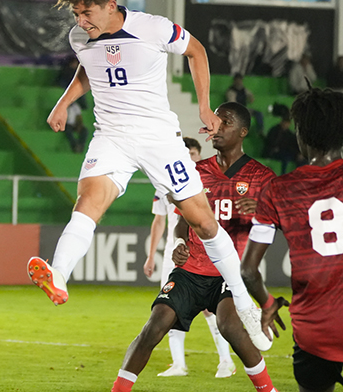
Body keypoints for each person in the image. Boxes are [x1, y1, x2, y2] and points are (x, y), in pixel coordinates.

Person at [26, 0, 271, 358]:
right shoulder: (80, 36)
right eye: (76, 14)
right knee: (87, 203)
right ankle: (59, 276)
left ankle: (243, 303)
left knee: (204, 223)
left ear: (110, 5)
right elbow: (90, 69)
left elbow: (197, 51)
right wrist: (63, 103)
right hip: (111, 137)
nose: (80, 21)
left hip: (159, 139)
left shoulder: (153, 28)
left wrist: (205, 107)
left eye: (86, 13)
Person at [112, 102, 278, 392]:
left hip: (229, 273)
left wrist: (263, 211)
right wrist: (178, 242)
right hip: (190, 270)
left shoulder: (262, 177)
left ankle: (269, 389)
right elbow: (182, 221)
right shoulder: (195, 171)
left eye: (225, 122)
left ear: (243, 132)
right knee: (155, 325)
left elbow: (281, 219)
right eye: (215, 121)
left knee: (229, 328)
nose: (216, 127)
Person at [241, 87, 343, 392]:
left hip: (315, 332)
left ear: (301, 134)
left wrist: (268, 303)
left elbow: (247, 271)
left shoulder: (278, 191)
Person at [143, 137, 238, 378]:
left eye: (193, 153)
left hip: (205, 251)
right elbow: (160, 220)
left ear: (199, 154)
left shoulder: (208, 180)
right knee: (169, 306)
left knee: (211, 309)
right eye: (185, 152)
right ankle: (178, 364)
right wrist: (151, 255)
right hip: (175, 251)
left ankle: (226, 361)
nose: (190, 157)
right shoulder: (165, 182)